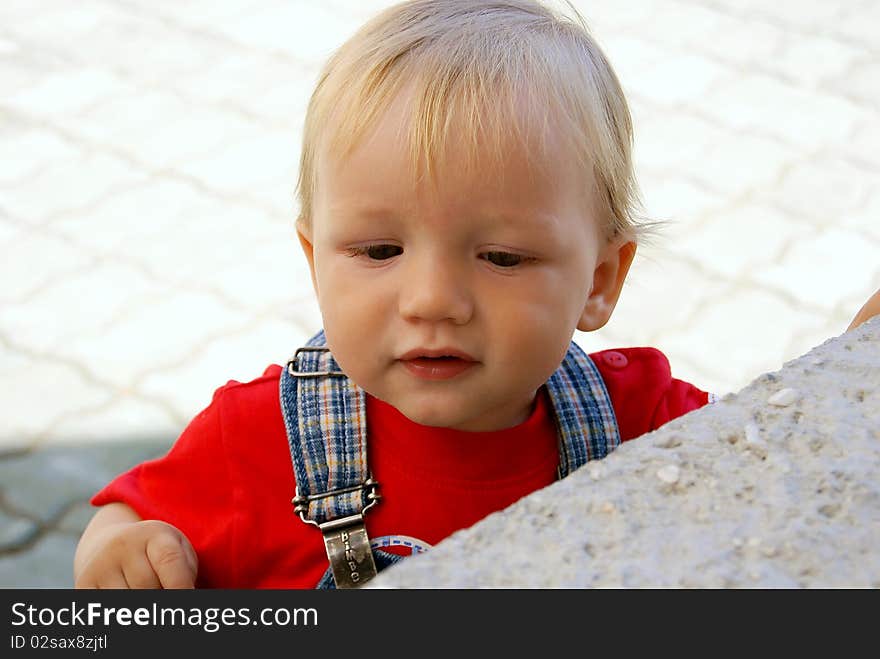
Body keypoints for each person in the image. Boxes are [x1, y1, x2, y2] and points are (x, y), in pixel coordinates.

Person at [73, 0, 879, 589]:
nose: (432, 299)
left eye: (501, 256)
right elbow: (121, 521)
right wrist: (121, 554)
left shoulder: (640, 418)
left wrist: (857, 364)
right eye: (379, 249)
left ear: (599, 280)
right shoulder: (255, 441)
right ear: (314, 257)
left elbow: (776, 468)